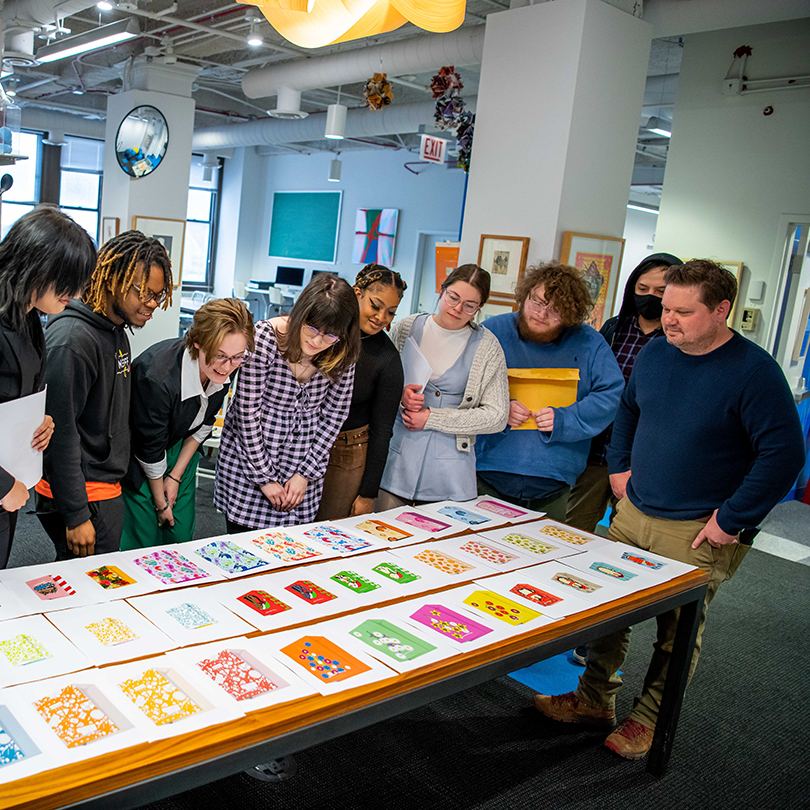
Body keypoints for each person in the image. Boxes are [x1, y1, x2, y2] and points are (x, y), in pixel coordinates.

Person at [534, 259, 805, 760]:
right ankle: (595, 699)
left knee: (675, 633)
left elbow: (784, 455)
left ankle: (651, 719)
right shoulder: (658, 352)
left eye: (684, 310)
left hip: (699, 527)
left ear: (722, 310)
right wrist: (619, 467)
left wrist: (733, 519)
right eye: (665, 308)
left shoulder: (755, 372)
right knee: (605, 611)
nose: (669, 319)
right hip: (634, 511)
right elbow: (630, 410)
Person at [35, 230, 173, 559]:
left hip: (104, 487)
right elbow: (61, 432)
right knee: (86, 592)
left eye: (158, 294)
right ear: (112, 279)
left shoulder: (116, 332)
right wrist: (76, 514)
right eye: (144, 292)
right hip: (81, 494)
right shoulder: (73, 340)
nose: (152, 304)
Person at [475, 262, 624, 521]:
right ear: (525, 295)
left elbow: (611, 393)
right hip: (487, 468)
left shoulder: (589, 343)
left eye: (555, 310)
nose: (541, 314)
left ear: (571, 314)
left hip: (554, 477)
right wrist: (499, 409)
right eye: (537, 302)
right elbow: (464, 383)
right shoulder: (493, 331)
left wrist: (565, 419)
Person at [214, 274, 360, 531]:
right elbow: (247, 415)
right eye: (312, 329)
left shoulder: (342, 353)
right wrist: (265, 479)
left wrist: (304, 474)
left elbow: (334, 416)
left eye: (329, 337)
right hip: (251, 466)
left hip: (301, 475)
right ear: (300, 315)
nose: (317, 342)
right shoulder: (265, 339)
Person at [0, 207, 96, 567]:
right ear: (38, 266)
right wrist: (3, 485)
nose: (76, 292)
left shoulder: (30, 318)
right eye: (69, 280)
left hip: (14, 478)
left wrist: (40, 421)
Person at [120, 298, 255, 549]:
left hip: (182, 450)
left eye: (238, 357)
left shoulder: (228, 364)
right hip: (139, 456)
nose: (227, 367)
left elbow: (204, 424)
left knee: (179, 538)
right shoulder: (157, 378)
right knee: (144, 539)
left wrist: (175, 476)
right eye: (220, 356)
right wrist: (161, 502)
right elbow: (149, 449)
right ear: (197, 342)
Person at [376, 264, 509, 507]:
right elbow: (377, 384)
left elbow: (498, 416)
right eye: (453, 297)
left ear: (480, 307)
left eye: (469, 305)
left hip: (450, 475)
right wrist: (398, 395)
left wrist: (432, 418)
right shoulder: (407, 327)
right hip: (395, 464)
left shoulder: (487, 346)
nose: (457, 308)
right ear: (442, 290)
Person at [316, 265, 405, 520]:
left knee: (327, 531)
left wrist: (368, 495)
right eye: (375, 306)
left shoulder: (387, 360)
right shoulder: (325, 332)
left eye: (391, 313)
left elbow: (382, 431)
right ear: (357, 294)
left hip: (346, 453)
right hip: (305, 443)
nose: (381, 318)